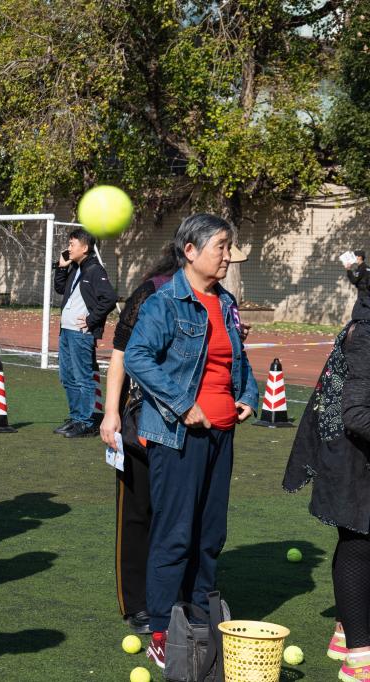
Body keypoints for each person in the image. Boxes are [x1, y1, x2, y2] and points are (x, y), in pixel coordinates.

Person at [123, 213, 258, 670]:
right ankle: (164, 630)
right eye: (221, 246)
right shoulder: (166, 302)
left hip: (222, 434)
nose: (227, 256)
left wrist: (248, 395)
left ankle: (201, 620)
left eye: (228, 246)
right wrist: (183, 405)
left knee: (210, 533)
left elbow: (237, 358)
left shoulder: (226, 301)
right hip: (179, 435)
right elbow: (137, 356)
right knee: (175, 534)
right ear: (190, 251)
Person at [283, 315, 370, 681]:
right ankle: (359, 657)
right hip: (350, 452)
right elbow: (357, 414)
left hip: (356, 452)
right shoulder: (366, 333)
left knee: (361, 542)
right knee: (358, 540)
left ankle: (346, 630)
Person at [99, 244, 179, 636]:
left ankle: (174, 596)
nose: (227, 259)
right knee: (136, 512)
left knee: (177, 516)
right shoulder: (152, 291)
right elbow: (120, 353)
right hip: (141, 421)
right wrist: (111, 412)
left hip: (189, 426)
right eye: (222, 248)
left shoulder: (218, 298)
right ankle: (137, 603)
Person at [53, 228, 117, 438]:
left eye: (72, 244)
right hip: (66, 332)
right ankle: (76, 418)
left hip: (81, 334)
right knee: (67, 377)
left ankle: (86, 422)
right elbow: (60, 289)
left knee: (83, 378)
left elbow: (109, 298)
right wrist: (61, 268)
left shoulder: (95, 270)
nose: (68, 248)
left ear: (85, 247)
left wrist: (91, 320)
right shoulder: (75, 268)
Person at [345, 249, 370, 320]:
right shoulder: (367, 268)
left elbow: (354, 280)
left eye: (354, 256)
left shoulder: (361, 268)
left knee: (356, 314)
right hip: (367, 295)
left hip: (363, 296)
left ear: (360, 257)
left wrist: (348, 270)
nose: (353, 258)